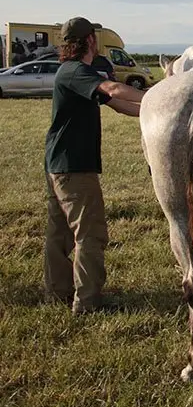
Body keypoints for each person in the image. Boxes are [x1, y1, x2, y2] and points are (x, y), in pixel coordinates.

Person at [44, 17, 145, 315]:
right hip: (75, 168)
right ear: (89, 40)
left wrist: (152, 112)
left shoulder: (74, 74)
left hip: (58, 165)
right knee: (90, 234)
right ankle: (88, 302)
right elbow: (114, 89)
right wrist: (160, 97)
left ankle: (57, 293)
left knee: (59, 234)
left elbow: (116, 103)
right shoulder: (76, 71)